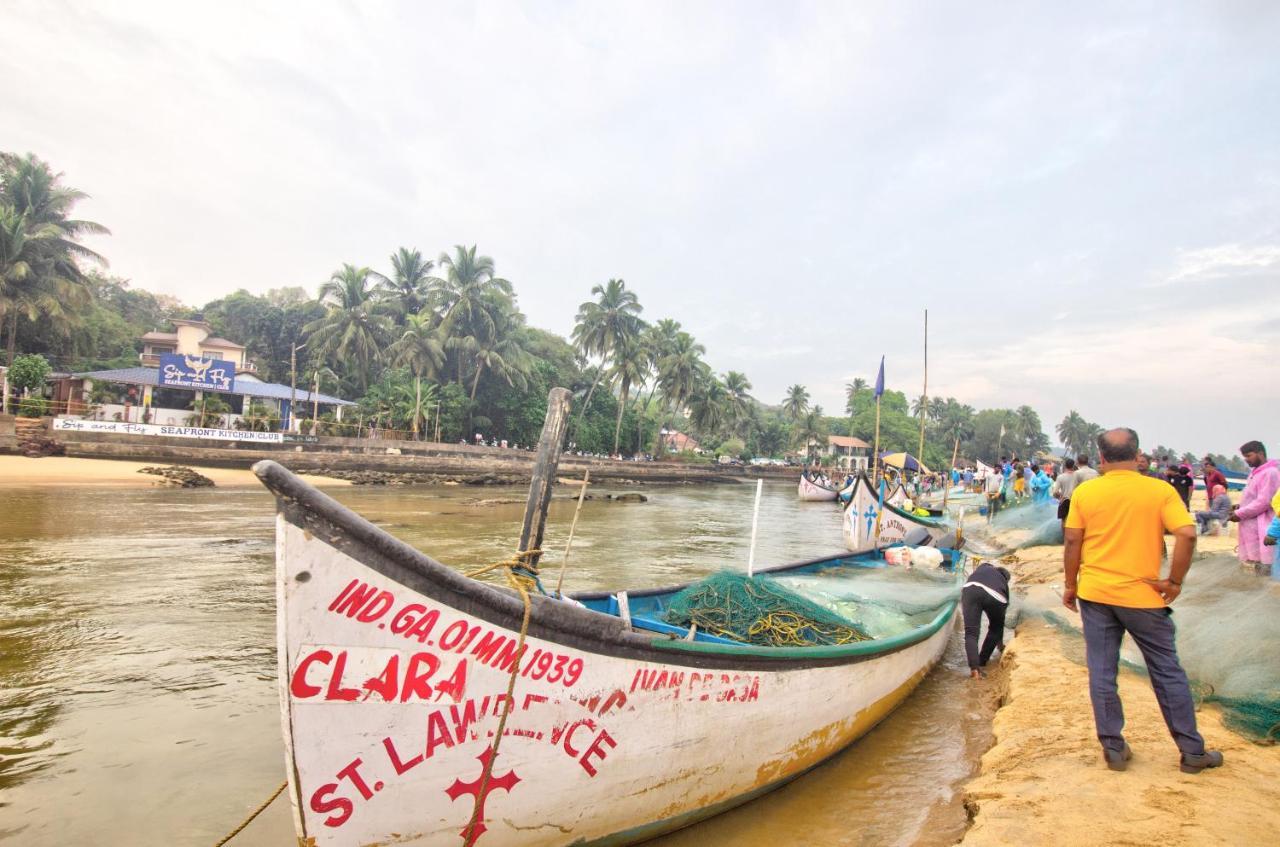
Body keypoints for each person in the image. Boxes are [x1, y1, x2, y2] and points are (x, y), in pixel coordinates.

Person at [1062, 428, 1222, 774]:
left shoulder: (1087, 492)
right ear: (1138, 456)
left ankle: (1113, 747)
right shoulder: (1159, 490)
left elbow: (1073, 542)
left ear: (1101, 458)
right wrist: (1175, 581)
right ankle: (1192, 751)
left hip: (1096, 593)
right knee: (1167, 671)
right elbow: (1187, 534)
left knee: (1103, 671)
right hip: (1144, 596)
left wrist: (1070, 585)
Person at [1228, 441, 1280, 574]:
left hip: (1264, 524)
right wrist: (1241, 506)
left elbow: (1265, 501)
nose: (1246, 460)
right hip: (1251, 525)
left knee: (1267, 564)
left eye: (1249, 456)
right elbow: (1254, 497)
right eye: (1244, 457)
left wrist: (1240, 513)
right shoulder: (1255, 473)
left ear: (1260, 454)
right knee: (1257, 563)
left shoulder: (1270, 472)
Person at [962, 561, 1011, 678]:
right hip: (995, 595)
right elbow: (999, 623)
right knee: (995, 628)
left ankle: (975, 669)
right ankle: (982, 660)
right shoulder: (1002, 581)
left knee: (971, 632)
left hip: (970, 589)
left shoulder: (984, 568)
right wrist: (1000, 644)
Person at [1052, 457, 1078, 531]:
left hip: (1064, 501)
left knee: (1064, 521)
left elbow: (1055, 492)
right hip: (1075, 501)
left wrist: (1059, 497)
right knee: (1075, 521)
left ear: (1065, 466)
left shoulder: (1060, 477)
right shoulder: (1077, 475)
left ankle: (1065, 539)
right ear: (1073, 466)